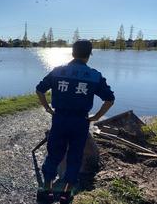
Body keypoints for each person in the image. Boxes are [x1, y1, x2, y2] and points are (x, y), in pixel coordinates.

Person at [36, 40, 115, 204]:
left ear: (72, 52)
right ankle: (66, 194)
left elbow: (40, 89)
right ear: (89, 55)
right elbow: (109, 99)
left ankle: (46, 192)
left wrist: (48, 108)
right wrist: (97, 116)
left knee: (53, 155)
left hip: (59, 119)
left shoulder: (58, 71)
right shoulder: (94, 75)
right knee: (75, 158)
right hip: (80, 121)